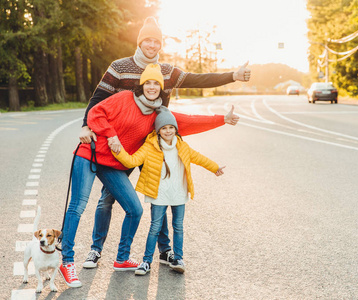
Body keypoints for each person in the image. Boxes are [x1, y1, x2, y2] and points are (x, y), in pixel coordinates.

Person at [79, 16, 250, 269]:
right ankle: (95, 250)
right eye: (147, 40)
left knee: (160, 196)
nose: (151, 45)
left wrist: (233, 75)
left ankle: (165, 252)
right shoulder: (119, 67)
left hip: (152, 145)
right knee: (107, 198)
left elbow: (198, 79)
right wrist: (85, 125)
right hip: (121, 146)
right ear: (140, 42)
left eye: (156, 41)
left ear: (160, 45)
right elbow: (97, 100)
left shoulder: (168, 72)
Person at [59, 63, 239, 288]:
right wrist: (110, 134)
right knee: (78, 206)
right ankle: (67, 262)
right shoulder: (124, 97)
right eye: (148, 83)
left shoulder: (158, 115)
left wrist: (222, 119)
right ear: (142, 85)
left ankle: (122, 258)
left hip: (113, 164)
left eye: (157, 83)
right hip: (90, 154)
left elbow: (187, 121)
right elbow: (97, 112)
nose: (152, 87)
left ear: (162, 88)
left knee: (135, 209)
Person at [112, 106, 225, 275]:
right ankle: (146, 261)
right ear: (158, 130)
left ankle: (178, 258)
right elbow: (132, 161)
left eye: (171, 127)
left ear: (176, 129)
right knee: (154, 228)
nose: (168, 131)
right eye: (164, 128)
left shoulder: (182, 146)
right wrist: (119, 151)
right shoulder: (149, 147)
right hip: (159, 195)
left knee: (178, 227)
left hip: (179, 194)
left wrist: (215, 167)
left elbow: (199, 158)